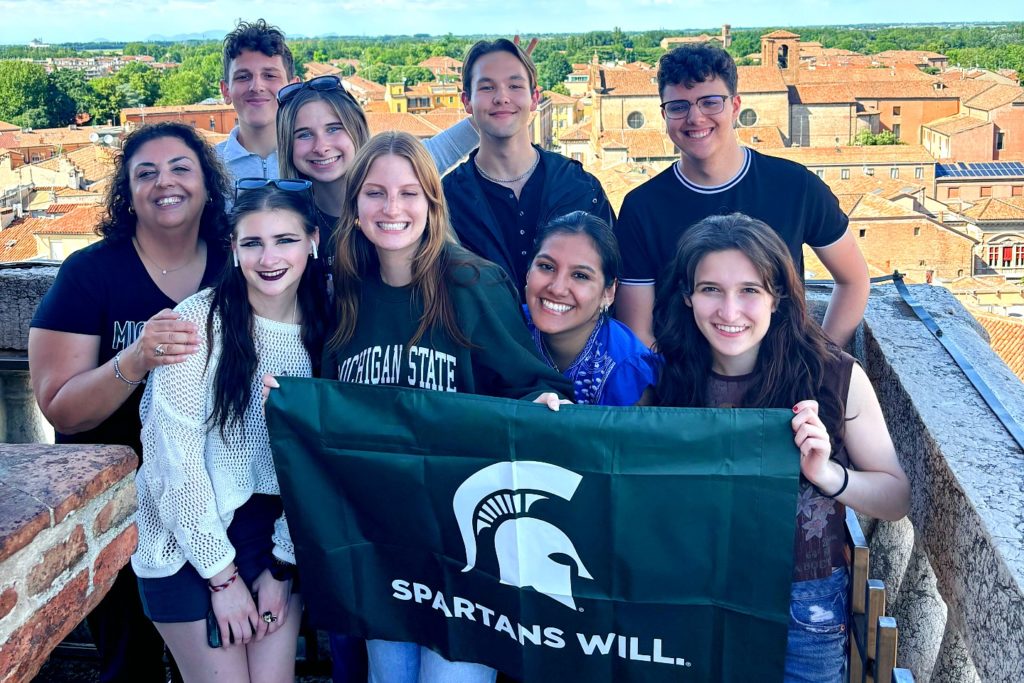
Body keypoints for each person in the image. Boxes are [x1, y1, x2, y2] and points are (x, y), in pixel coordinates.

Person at [264, 130, 569, 683]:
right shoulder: (346, 296)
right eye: (376, 193)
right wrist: (290, 405)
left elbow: (527, 382)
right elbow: (332, 413)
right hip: (385, 547)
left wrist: (540, 402)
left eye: (409, 193)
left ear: (432, 203)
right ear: (355, 207)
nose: (392, 208)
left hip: (465, 550)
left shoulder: (472, 283)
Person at [649, 213, 910, 683]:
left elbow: (895, 497)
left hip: (803, 605)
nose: (730, 312)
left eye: (750, 290)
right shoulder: (660, 375)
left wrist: (830, 477)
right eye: (711, 289)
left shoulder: (836, 375)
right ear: (687, 295)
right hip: (688, 594)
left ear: (778, 297)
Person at [29, 121, 231, 682]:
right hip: (121, 504)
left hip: (215, 497)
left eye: (180, 168)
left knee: (223, 651)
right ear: (128, 193)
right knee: (130, 659)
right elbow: (61, 408)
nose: (165, 182)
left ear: (208, 185)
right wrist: (134, 360)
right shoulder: (91, 273)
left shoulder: (238, 264)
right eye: (146, 173)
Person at [132, 183, 327, 683]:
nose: (269, 258)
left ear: (314, 242)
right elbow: (172, 463)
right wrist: (223, 578)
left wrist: (281, 566)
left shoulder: (330, 325)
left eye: (285, 240)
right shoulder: (197, 324)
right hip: (187, 536)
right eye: (252, 243)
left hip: (276, 534)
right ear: (234, 250)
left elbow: (317, 463)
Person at [615, 43, 869, 349]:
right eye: (679, 106)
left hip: (782, 388)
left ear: (735, 107)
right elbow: (638, 333)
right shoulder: (642, 207)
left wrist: (825, 364)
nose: (695, 117)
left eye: (710, 102)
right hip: (682, 391)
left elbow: (853, 280)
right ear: (665, 115)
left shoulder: (796, 187)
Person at [217, 19, 479, 187]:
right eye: (243, 77)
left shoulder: (326, 154)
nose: (257, 86)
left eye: (270, 75)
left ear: (293, 85)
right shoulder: (206, 167)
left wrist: (495, 105)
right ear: (225, 90)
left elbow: (427, 157)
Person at [444, 38, 613, 288]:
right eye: (487, 87)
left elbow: (610, 282)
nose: (502, 97)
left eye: (514, 85)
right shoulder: (446, 201)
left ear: (534, 98)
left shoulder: (581, 188)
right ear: (467, 102)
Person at [275, 74, 472, 236]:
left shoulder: (398, 172)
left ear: (357, 129)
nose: (321, 146)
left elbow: (454, 141)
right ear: (287, 145)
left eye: (334, 129)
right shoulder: (279, 221)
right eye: (304, 134)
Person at [523, 211, 657, 406]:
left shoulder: (627, 369)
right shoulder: (505, 327)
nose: (557, 288)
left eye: (580, 276)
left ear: (608, 293)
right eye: (546, 266)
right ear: (528, 273)